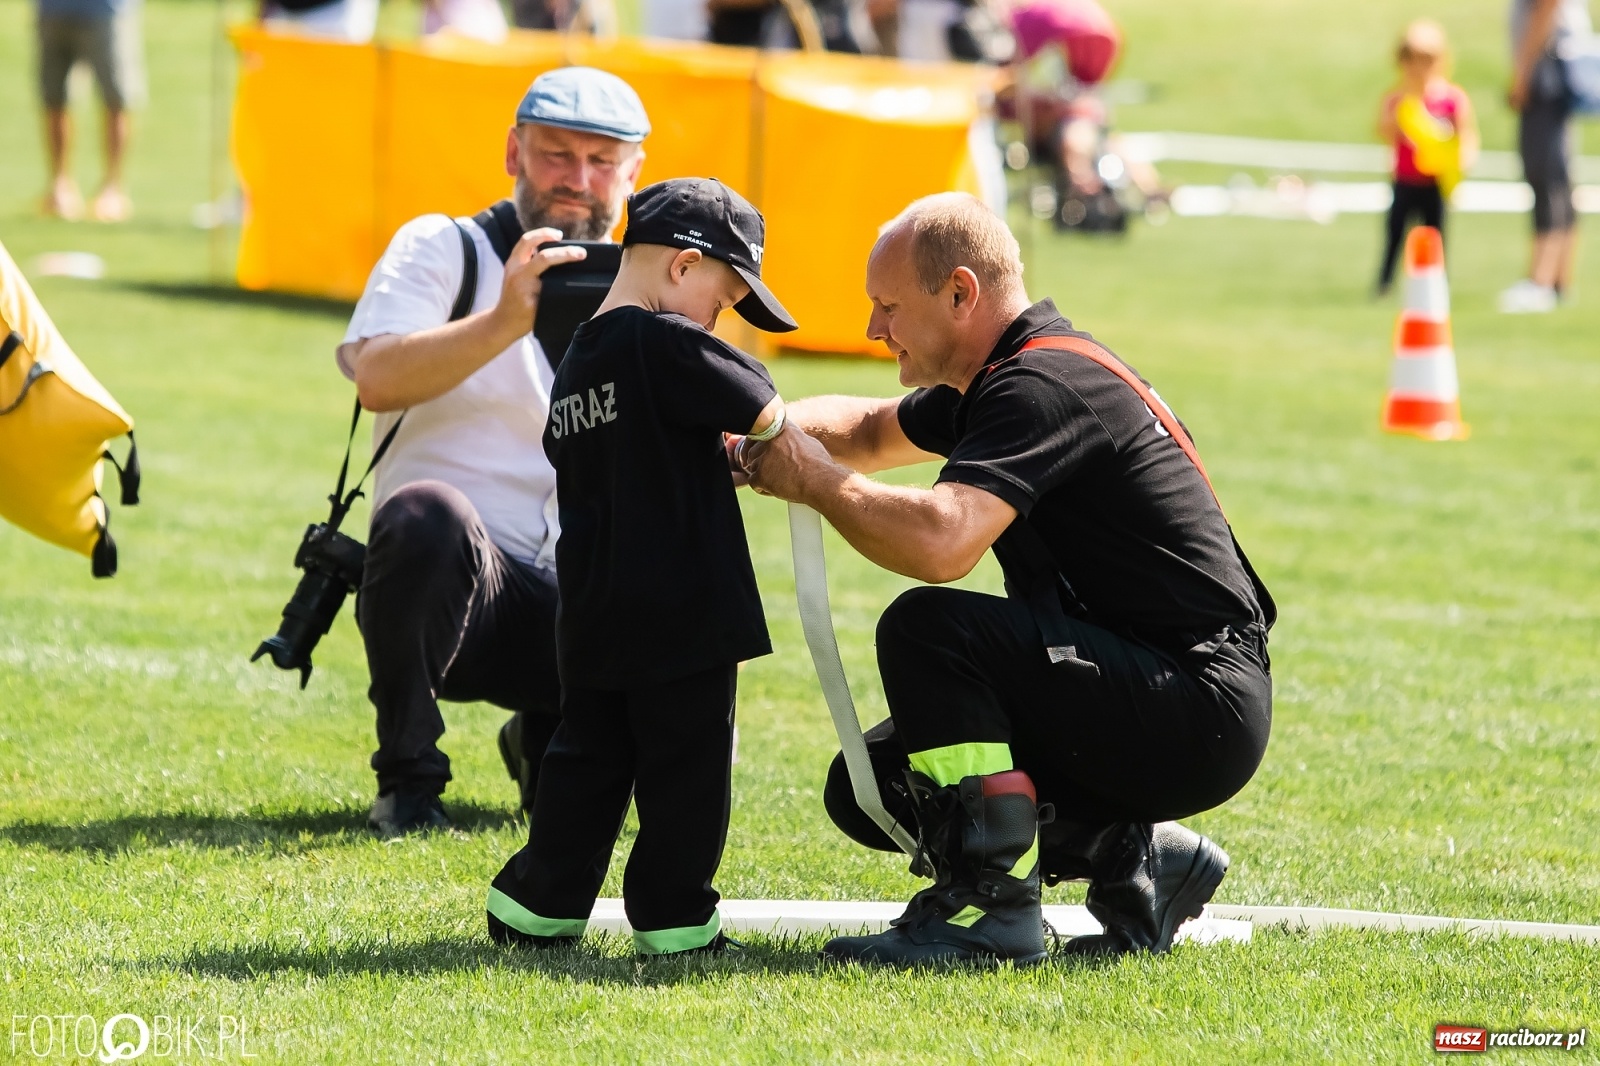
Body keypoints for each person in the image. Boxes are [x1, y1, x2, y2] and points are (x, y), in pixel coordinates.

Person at [742, 193, 1274, 967]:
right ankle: (1139, 861)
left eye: (888, 306)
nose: (872, 330)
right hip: (1172, 692)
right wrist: (752, 427)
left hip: (1193, 704)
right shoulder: (1006, 378)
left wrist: (817, 484)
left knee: (931, 629)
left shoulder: (1040, 386)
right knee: (877, 786)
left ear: (960, 293)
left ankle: (989, 915)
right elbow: (863, 430)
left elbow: (942, 544)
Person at [485, 178, 797, 956]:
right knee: (686, 772)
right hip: (686, 610)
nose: (717, 322)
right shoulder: (664, 342)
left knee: (588, 764)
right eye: (722, 304)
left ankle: (538, 905)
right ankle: (674, 916)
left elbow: (625, 452)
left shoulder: (576, 363)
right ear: (683, 269)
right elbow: (763, 404)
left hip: (594, 610)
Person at [336, 67, 650, 836]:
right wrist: (504, 320)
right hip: (456, 594)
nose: (578, 181)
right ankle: (409, 778)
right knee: (426, 513)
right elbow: (374, 377)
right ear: (512, 150)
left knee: (691, 611)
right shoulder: (445, 247)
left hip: (573, 606)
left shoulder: (647, 287)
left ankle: (548, 735)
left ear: (634, 172)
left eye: (602, 160)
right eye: (555, 154)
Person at [1375, 20, 1479, 296]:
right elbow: (1384, 131)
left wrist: (1462, 160)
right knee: (1395, 233)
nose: (1419, 66)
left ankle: (1436, 286)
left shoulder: (1451, 98)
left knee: (1436, 235)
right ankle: (1384, 283)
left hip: (1435, 181)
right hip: (1406, 179)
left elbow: (1466, 135)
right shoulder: (1398, 100)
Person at [1501, 0, 1590, 312]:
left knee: (1545, 175)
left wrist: (1523, 73)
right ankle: (1557, 281)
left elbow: (1546, 8)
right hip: (1559, 75)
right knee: (1559, 176)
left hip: (1546, 74)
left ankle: (1540, 279)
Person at [35, 0, 144, 221]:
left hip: (107, 9)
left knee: (116, 98)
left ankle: (112, 188)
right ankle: (60, 186)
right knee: (54, 97)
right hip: (54, 9)